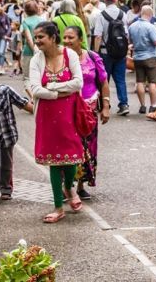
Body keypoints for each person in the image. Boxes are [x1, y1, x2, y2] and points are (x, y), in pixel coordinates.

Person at [30, 21, 84, 223]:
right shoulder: (37, 59)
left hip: (69, 113)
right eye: (36, 37)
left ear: (53, 37)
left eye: (41, 37)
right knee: (53, 162)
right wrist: (60, 92)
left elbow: (78, 82)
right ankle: (58, 207)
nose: (37, 41)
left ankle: (68, 186)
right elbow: (35, 89)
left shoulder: (69, 55)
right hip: (47, 115)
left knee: (71, 158)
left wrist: (51, 86)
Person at [63, 26, 110, 200]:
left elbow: (103, 83)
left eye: (71, 37)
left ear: (80, 39)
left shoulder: (92, 57)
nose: (67, 41)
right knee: (68, 147)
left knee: (88, 149)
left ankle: (81, 185)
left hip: (88, 112)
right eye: (65, 37)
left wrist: (106, 106)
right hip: (66, 110)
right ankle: (67, 185)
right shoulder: (61, 59)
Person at [0, 64, 33, 207]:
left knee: (7, 164)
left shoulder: (6, 91)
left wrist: (40, 111)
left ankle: (6, 189)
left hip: (8, 136)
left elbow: (23, 103)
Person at [93, 0, 129, 116]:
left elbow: (98, 36)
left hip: (105, 52)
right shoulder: (123, 14)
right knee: (120, 79)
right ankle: (124, 104)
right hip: (120, 52)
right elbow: (126, 34)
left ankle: (104, 104)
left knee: (104, 79)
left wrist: (95, 53)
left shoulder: (101, 15)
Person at [128, 5, 156, 114]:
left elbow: (131, 41)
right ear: (150, 15)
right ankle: (153, 106)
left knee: (140, 82)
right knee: (152, 82)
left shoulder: (132, 26)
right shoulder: (150, 27)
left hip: (137, 57)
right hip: (150, 57)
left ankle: (142, 106)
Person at [21, 0, 43, 98]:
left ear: (25, 10)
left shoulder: (25, 21)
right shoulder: (42, 20)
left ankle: (33, 97)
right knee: (41, 74)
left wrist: (34, 50)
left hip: (28, 52)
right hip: (42, 50)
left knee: (27, 77)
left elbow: (29, 38)